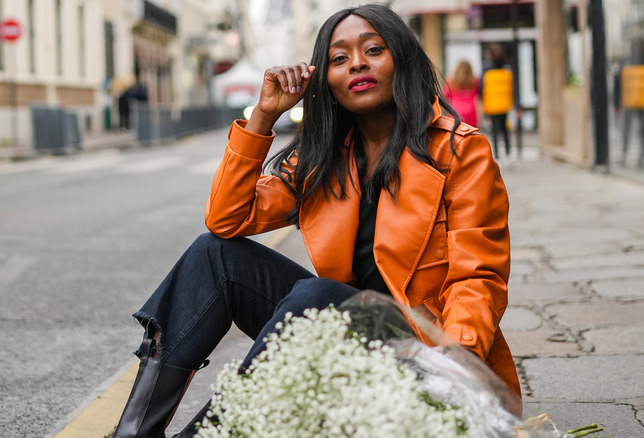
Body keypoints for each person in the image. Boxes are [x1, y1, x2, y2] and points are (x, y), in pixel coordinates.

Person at [111, 4, 520, 437]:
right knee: (214, 255)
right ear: (326, 81)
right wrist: (264, 116)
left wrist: (451, 364)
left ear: (402, 57)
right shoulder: (324, 157)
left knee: (318, 295)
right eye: (339, 58)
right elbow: (226, 218)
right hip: (347, 340)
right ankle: (133, 434)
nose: (357, 63)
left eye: (373, 49)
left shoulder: (460, 152)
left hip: (421, 354)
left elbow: (478, 280)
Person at [479, 43, 513, 159]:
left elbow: (482, 87)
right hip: (504, 103)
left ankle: (497, 153)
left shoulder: (486, 68)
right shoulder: (506, 67)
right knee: (504, 127)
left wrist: (481, 99)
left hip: (491, 103)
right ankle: (508, 150)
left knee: (494, 128)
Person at [443, 60, 479, 127]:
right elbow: (477, 95)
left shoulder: (451, 81)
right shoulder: (474, 81)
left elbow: (445, 95)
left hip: (455, 112)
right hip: (471, 113)